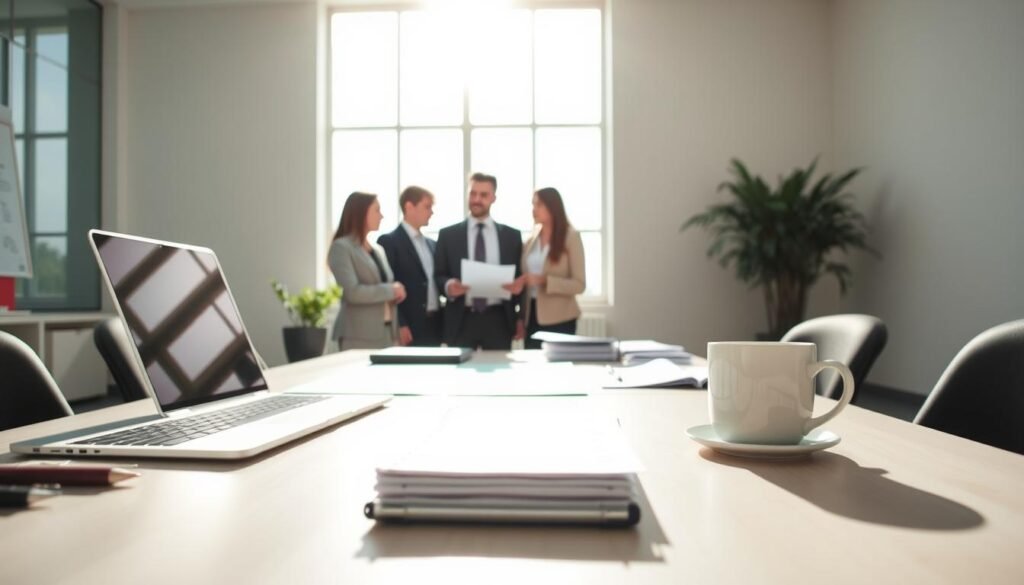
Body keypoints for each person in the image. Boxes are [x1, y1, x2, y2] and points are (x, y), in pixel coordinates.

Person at [434, 172, 523, 349]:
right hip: (461, 319)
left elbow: (519, 277)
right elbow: (439, 275)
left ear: (493, 198)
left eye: (483, 195)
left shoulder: (511, 236)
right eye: (473, 194)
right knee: (459, 375)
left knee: (500, 375)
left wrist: (519, 314)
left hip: (499, 320)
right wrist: (449, 286)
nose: (476, 199)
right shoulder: (448, 235)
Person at [328, 192, 406, 350]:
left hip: (387, 333)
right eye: (377, 210)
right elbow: (352, 292)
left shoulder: (378, 249)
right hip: (358, 336)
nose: (382, 216)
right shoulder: (341, 248)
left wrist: (396, 292)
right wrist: (391, 290)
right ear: (361, 212)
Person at [514, 188, 586, 349]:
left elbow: (579, 284)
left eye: (538, 204)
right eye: (533, 204)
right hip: (531, 318)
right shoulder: (530, 241)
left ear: (552, 207)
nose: (534, 209)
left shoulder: (571, 238)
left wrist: (545, 281)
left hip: (560, 319)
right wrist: (520, 317)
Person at [377, 186, 442, 347]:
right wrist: (400, 324)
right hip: (409, 326)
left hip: (435, 325)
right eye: (427, 207)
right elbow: (387, 286)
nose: (431, 212)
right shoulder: (389, 242)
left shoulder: (432, 244)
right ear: (409, 207)